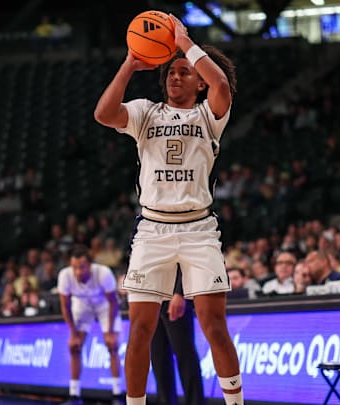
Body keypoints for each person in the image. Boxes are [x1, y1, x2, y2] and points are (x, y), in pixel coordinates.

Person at [93, 13, 242, 405]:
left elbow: (222, 83)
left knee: (214, 326)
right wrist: (129, 63)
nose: (176, 77)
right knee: (140, 330)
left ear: (197, 80)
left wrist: (184, 43)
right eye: (171, 72)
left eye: (184, 72)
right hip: (152, 230)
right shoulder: (146, 112)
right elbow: (104, 114)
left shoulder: (209, 116)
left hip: (198, 230)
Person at [57, 245, 122, 401]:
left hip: (104, 305)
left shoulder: (103, 273)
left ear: (90, 265)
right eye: (74, 268)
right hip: (81, 305)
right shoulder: (65, 276)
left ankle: (117, 391)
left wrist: (111, 332)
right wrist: (73, 334)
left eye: (82, 267)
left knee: (112, 346)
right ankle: (74, 392)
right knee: (74, 347)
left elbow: (113, 303)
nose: (78, 272)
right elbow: (65, 307)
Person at [150, 269, 204, 405]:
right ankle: (165, 401)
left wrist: (180, 292)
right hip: (151, 297)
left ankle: (195, 402)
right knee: (158, 358)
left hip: (173, 295)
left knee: (185, 355)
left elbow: (185, 261)